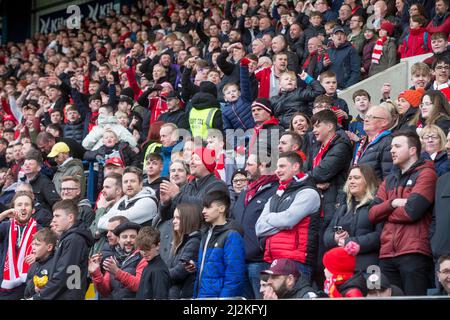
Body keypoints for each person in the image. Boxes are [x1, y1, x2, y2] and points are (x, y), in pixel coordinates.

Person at [369, 130, 436, 296]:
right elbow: (372, 215)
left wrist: (385, 211)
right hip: (386, 253)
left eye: (397, 146)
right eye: (391, 146)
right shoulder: (389, 179)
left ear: (413, 150)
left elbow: (411, 211)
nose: (392, 150)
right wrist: (392, 203)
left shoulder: (427, 174)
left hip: (414, 252)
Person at [256, 151, 321, 284]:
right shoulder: (277, 195)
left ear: (296, 166)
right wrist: (282, 222)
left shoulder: (309, 192)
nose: (277, 171)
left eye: (282, 166)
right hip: (273, 262)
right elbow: (259, 228)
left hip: (296, 263)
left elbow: (289, 220)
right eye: (277, 167)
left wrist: (270, 217)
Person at [231, 153, 279, 299]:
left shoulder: (275, 189)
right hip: (241, 260)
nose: (246, 169)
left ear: (262, 165)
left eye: (250, 165)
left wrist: (261, 247)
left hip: (260, 261)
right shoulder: (246, 191)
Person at [31, 200, 94, 300]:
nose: (53, 220)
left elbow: (62, 275)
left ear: (70, 218)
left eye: (57, 216)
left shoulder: (73, 240)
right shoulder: (69, 238)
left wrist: (39, 297)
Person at [324, 165, 382, 272]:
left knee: (374, 288)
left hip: (370, 267)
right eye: (349, 178)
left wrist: (350, 242)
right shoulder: (343, 208)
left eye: (356, 178)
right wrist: (335, 238)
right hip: (344, 267)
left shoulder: (376, 204)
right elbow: (327, 234)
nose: (351, 181)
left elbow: (379, 236)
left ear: (367, 181)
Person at [190, 190, 245, 298]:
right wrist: (196, 265)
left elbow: (234, 276)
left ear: (221, 208)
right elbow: (213, 264)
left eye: (208, 207)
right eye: (203, 207)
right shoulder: (206, 233)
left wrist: (224, 298)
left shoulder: (232, 236)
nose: (203, 211)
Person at [89, 222, 146, 300]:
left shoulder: (144, 258)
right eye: (124, 237)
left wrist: (117, 272)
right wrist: (96, 273)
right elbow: (105, 291)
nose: (128, 240)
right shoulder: (114, 259)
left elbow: (138, 286)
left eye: (133, 237)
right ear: (119, 240)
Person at [0, 192, 38, 299]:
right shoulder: (5, 226)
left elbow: (50, 252)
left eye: (27, 205)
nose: (23, 208)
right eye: (19, 205)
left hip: (28, 284)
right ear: (13, 209)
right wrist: (4, 215)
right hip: (5, 286)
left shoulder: (40, 229)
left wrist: (37, 256)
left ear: (33, 210)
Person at [168, 202, 203, 299]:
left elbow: (179, 272)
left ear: (189, 219)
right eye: (174, 218)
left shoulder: (194, 242)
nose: (174, 221)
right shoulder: (181, 242)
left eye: (178, 218)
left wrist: (160, 275)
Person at [352, 105, 393, 181]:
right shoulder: (362, 142)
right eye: (366, 117)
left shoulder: (388, 143)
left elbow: (388, 179)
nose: (366, 120)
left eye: (371, 117)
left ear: (384, 122)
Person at [89, 174, 124, 256]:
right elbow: (91, 233)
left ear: (118, 190)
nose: (103, 190)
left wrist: (101, 209)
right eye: (103, 187)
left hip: (109, 257)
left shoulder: (121, 209)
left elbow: (98, 229)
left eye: (107, 187)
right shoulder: (106, 208)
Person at [136, 226, 170, 300]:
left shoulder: (158, 270)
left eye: (147, 249)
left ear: (157, 245)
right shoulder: (148, 266)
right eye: (142, 249)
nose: (144, 253)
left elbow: (160, 297)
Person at [24, 228, 57, 299]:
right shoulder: (34, 264)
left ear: (49, 247)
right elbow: (27, 290)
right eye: (32, 244)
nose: (33, 248)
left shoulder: (55, 265)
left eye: (37, 245)